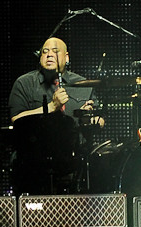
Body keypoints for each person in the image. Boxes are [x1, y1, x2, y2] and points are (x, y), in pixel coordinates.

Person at [8, 37, 103, 193]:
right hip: (34, 159)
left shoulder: (82, 84)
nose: (49, 55)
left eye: (55, 51)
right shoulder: (24, 83)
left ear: (66, 57)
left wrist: (89, 118)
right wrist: (51, 107)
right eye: (45, 52)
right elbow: (16, 119)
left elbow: (100, 121)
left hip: (74, 159)